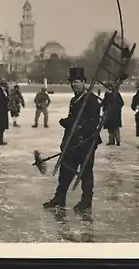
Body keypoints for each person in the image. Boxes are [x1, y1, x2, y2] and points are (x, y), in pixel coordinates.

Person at [43, 67, 102, 212]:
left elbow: (93, 121)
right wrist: (67, 123)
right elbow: (73, 119)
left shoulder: (91, 99)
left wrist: (80, 130)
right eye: (72, 82)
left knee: (85, 172)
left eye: (76, 82)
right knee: (65, 169)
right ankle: (60, 197)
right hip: (72, 141)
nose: (74, 85)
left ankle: (86, 200)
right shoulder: (74, 99)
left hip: (86, 141)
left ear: (83, 82)